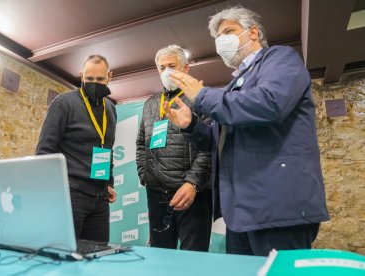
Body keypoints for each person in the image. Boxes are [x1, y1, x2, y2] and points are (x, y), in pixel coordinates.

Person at [163, 6, 329, 256]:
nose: (221, 42)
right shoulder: (234, 84)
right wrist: (192, 125)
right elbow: (220, 140)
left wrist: (202, 96)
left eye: (228, 31)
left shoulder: (280, 58)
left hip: (277, 205)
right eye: (218, 38)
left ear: (253, 33)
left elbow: (269, 103)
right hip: (241, 211)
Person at [136, 45, 212, 252]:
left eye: (172, 66)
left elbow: (209, 146)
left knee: (194, 258)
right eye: (162, 67)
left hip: (191, 194)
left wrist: (193, 183)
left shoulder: (202, 99)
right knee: (160, 256)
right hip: (157, 194)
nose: (166, 71)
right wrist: (146, 175)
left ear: (185, 68)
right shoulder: (151, 103)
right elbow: (141, 144)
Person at [36, 55, 117, 242]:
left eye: (100, 79)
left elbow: (107, 148)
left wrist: (109, 182)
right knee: (64, 256)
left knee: (97, 257)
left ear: (109, 77)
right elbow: (44, 151)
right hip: (70, 196)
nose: (94, 83)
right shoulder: (64, 103)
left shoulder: (111, 109)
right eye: (89, 79)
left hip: (100, 198)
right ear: (81, 76)